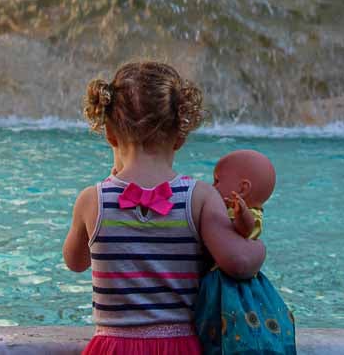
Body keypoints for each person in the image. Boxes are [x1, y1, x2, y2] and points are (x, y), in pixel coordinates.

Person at [63, 62, 266, 354]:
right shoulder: (198, 198)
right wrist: (259, 248)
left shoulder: (92, 200)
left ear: (109, 134)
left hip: (111, 347)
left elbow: (75, 261)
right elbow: (239, 263)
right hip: (178, 345)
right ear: (180, 137)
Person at [194, 150, 297, 354]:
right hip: (223, 275)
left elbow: (245, 229)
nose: (212, 186)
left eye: (217, 180)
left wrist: (241, 215)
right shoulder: (226, 207)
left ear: (243, 188)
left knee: (229, 319)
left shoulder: (248, 213)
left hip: (229, 282)